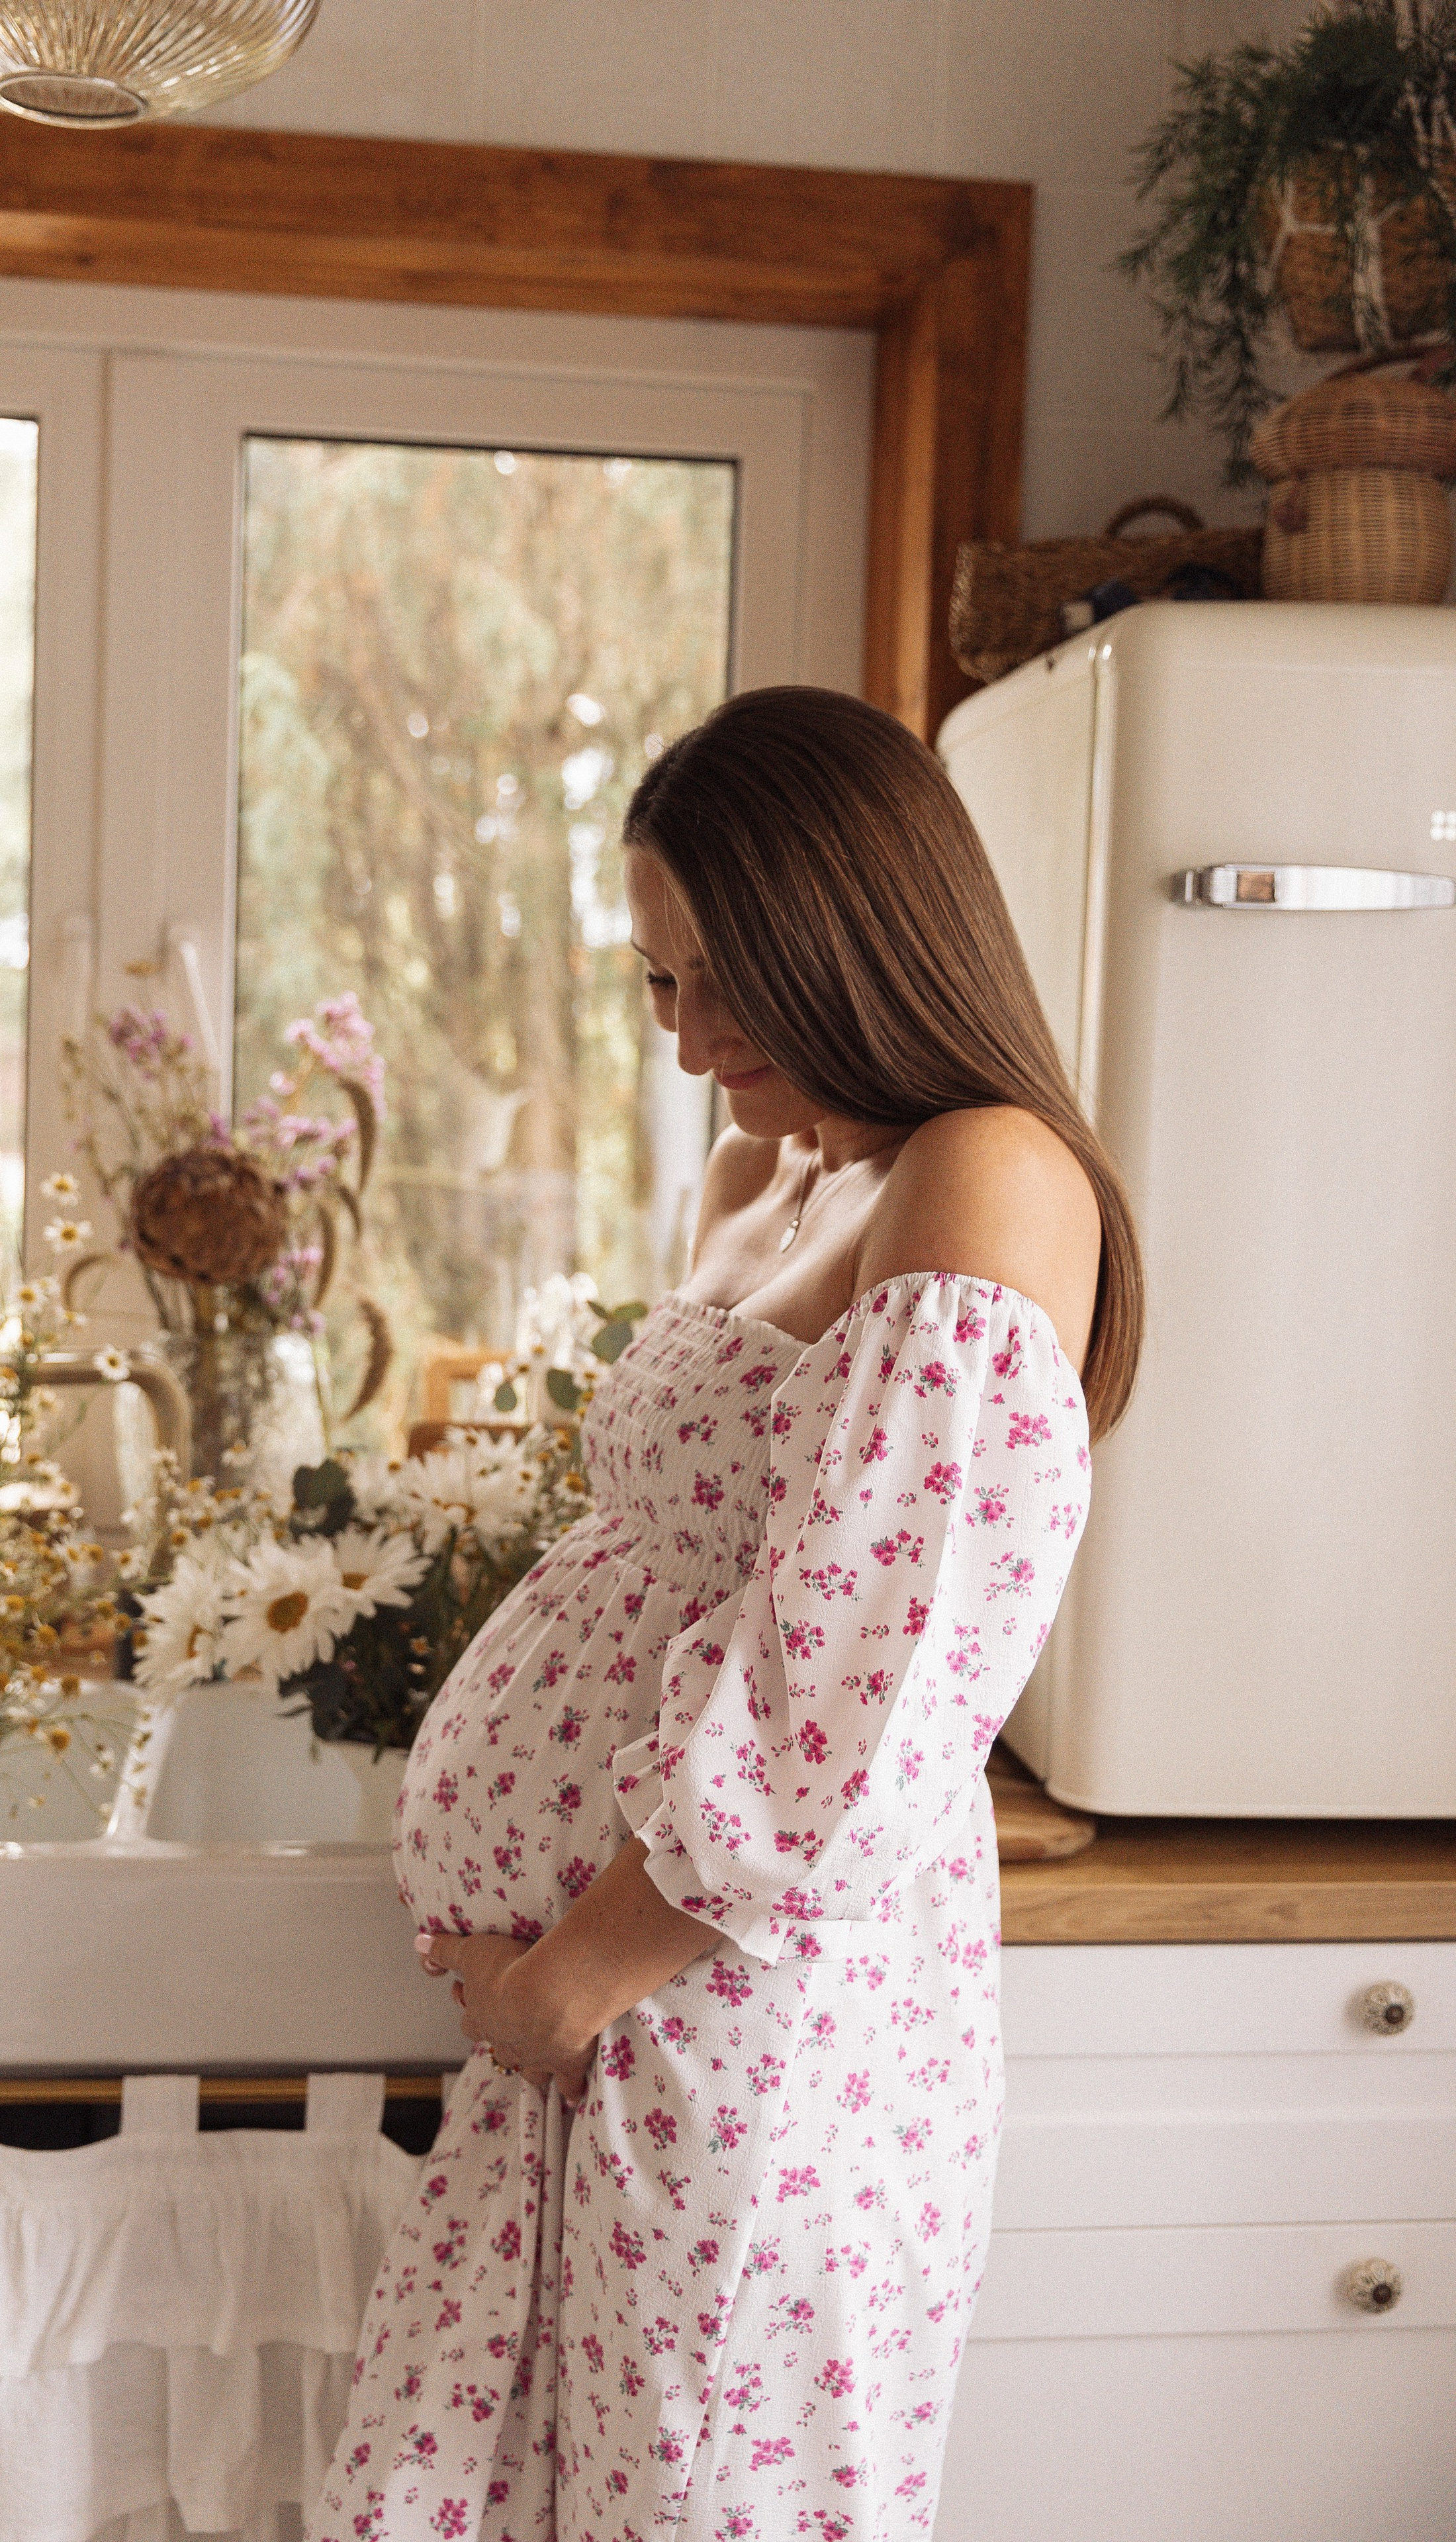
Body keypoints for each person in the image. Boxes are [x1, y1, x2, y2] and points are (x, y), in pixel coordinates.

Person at [313, 686, 1142, 2541]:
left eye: (727, 980)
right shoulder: (793, 1170)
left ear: (859, 932)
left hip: (736, 2023)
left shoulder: (986, 1170)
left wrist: (577, 1973)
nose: (691, 1042)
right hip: (625, 2031)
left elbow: (858, 1668)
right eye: (658, 985)